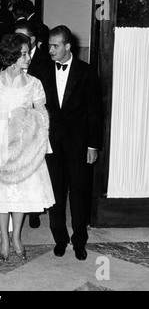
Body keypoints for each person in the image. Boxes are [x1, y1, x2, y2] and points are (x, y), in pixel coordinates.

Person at [0, 33, 55, 262]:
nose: (28, 58)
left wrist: (36, 138)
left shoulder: (34, 83)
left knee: (21, 194)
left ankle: (16, 237)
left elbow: (42, 116)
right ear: (12, 55)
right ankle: (4, 237)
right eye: (24, 53)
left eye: (28, 53)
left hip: (24, 145)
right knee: (1, 194)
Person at [43, 25, 103, 261]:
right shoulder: (42, 70)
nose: (50, 50)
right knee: (55, 194)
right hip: (51, 143)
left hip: (79, 145)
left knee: (79, 194)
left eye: (55, 46)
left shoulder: (86, 72)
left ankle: (80, 241)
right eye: (49, 45)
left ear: (68, 46)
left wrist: (93, 145)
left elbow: (95, 112)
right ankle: (59, 239)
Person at [14, 20, 52, 228]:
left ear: (33, 40)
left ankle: (34, 210)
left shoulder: (46, 61)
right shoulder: (11, 59)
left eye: (22, 37)